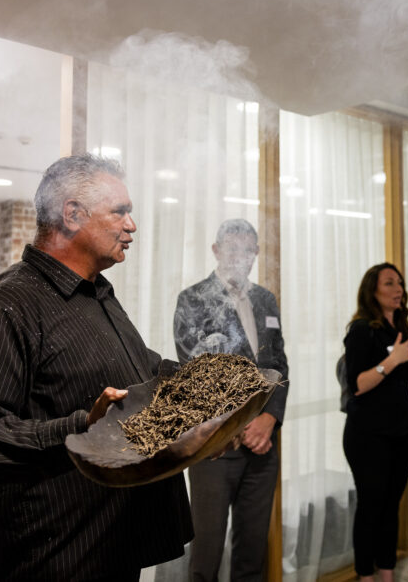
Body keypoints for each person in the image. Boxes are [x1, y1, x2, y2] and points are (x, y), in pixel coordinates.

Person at [0, 154, 193, 582]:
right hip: (48, 563)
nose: (131, 225)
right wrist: (80, 430)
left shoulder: (96, 295)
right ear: (72, 215)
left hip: (111, 548)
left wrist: (215, 388)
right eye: (120, 212)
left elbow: (141, 370)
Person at [173, 219, 289, 582]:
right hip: (215, 447)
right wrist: (240, 423)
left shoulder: (265, 299)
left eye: (248, 249)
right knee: (206, 554)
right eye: (233, 248)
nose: (241, 256)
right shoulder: (192, 299)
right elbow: (198, 370)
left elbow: (278, 365)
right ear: (216, 251)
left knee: (252, 552)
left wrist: (269, 418)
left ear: (256, 253)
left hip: (262, 446)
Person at [342, 263, 408, 582]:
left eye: (399, 282)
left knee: (391, 506)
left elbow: (395, 377)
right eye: (389, 283)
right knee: (371, 506)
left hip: (402, 430)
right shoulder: (360, 330)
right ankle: (365, 576)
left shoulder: (399, 327)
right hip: (368, 435)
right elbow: (359, 383)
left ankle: (387, 574)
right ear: (372, 290)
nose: (398, 289)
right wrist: (392, 360)